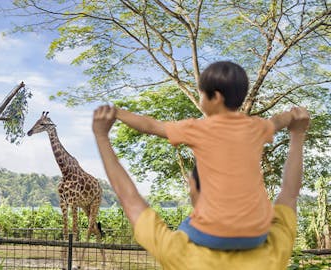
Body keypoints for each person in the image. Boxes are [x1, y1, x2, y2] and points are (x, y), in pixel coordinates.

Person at [93, 105, 309, 269]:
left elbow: (129, 199)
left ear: (193, 189)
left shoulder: (179, 251)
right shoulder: (273, 248)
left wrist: (102, 136)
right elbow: (289, 195)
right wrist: (298, 135)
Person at [113, 61, 300, 250]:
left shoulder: (198, 128)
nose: (200, 99)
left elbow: (151, 126)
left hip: (214, 234)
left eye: (201, 94)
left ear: (216, 97)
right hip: (257, 234)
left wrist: (118, 113)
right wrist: (293, 115)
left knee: (183, 228)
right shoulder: (257, 127)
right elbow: (277, 121)